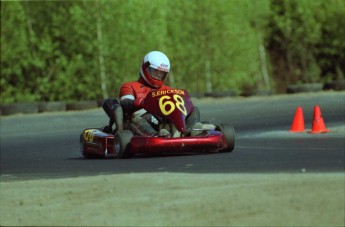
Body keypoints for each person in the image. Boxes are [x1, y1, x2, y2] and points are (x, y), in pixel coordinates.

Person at [118, 50, 201, 137]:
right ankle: (156, 136)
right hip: (146, 120)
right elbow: (125, 104)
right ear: (145, 68)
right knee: (138, 119)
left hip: (168, 119)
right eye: (155, 71)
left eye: (162, 73)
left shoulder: (168, 90)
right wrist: (143, 102)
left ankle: (188, 132)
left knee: (194, 110)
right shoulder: (129, 86)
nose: (159, 75)